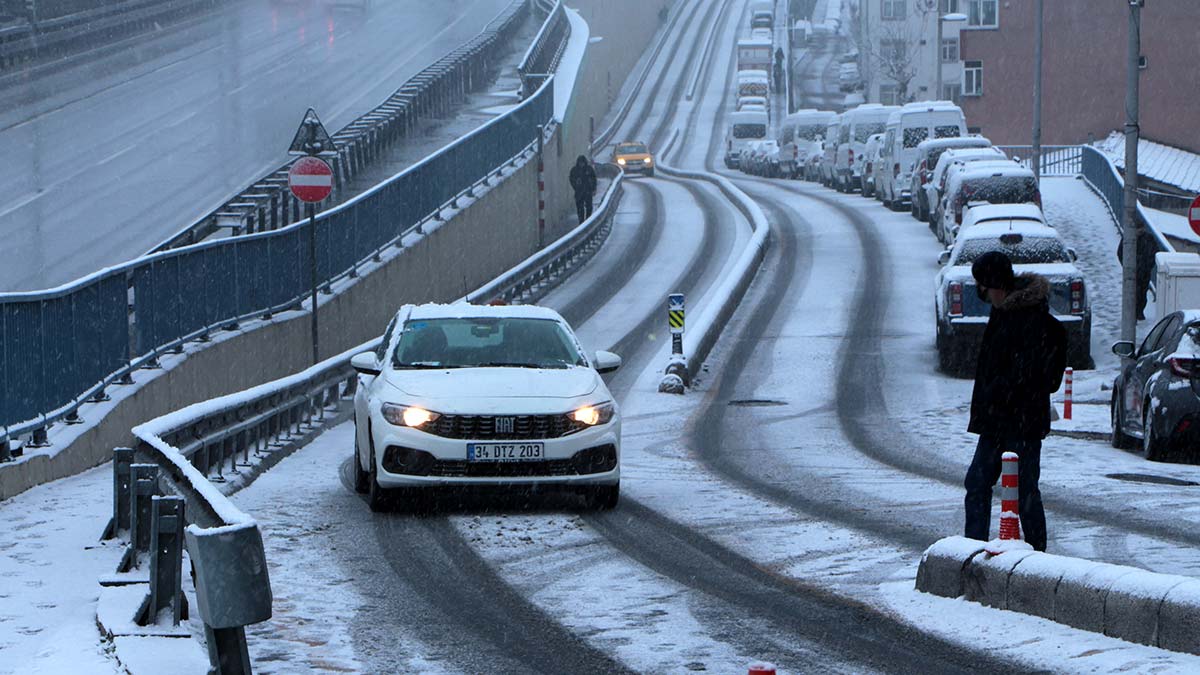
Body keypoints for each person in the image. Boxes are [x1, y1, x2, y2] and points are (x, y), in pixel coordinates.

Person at [963, 251, 1067, 552]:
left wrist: (1003, 391)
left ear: (994, 285)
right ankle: (972, 549)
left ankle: (1036, 556)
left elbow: (1039, 377)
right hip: (1000, 422)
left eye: (982, 289)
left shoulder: (1031, 322)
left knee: (1023, 493)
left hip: (1020, 424)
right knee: (980, 485)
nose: (982, 296)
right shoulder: (1004, 314)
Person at [1117, 226, 1157, 320]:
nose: (1139, 231)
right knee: (1134, 292)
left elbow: (1155, 253)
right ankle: (1134, 314)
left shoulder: (1148, 238)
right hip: (1133, 272)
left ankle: (1139, 312)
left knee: (1142, 293)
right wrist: (1127, 266)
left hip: (1144, 271)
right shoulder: (1129, 238)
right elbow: (1120, 252)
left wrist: (1148, 265)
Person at [569, 155, 597, 223]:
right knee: (580, 208)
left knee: (589, 207)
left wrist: (593, 188)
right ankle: (581, 222)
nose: (581, 164)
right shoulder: (574, 170)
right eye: (580, 163)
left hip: (588, 191)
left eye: (582, 163)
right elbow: (571, 179)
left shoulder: (589, 169)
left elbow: (594, 179)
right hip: (579, 192)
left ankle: (588, 221)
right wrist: (576, 186)